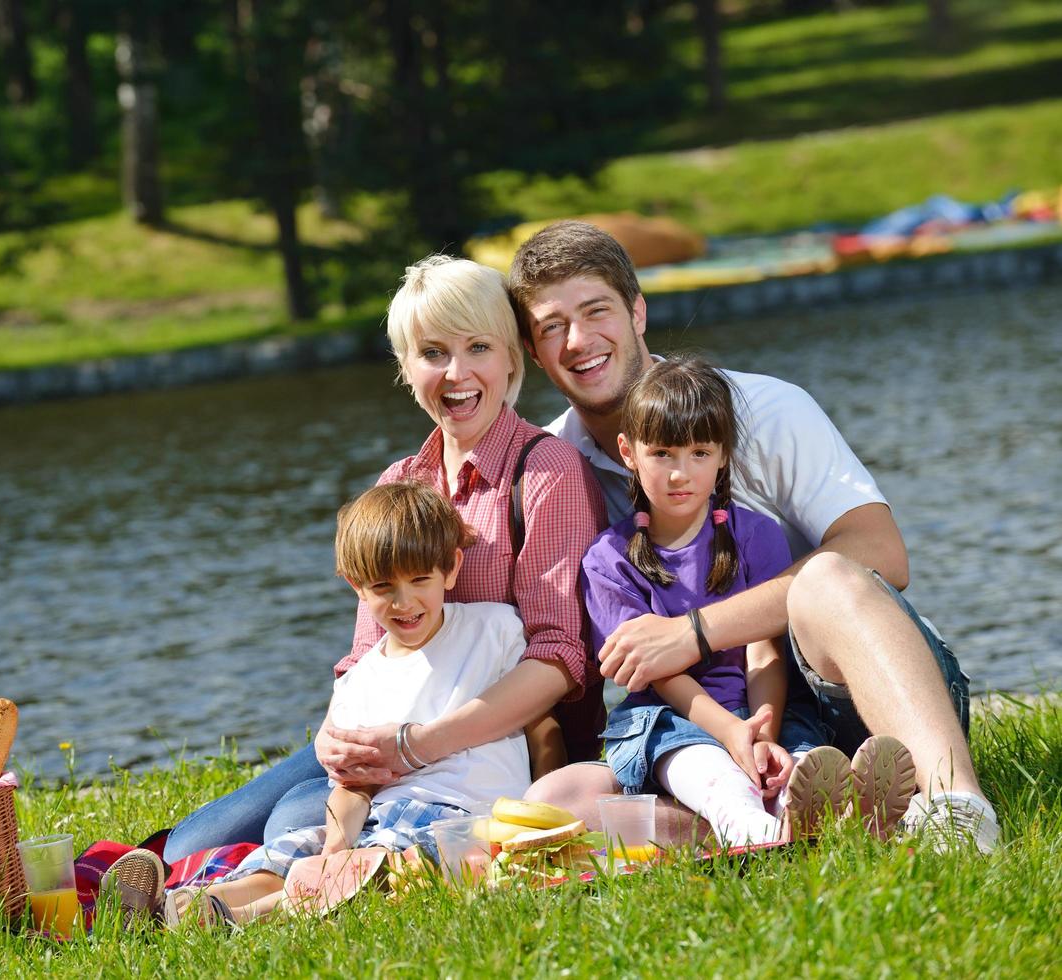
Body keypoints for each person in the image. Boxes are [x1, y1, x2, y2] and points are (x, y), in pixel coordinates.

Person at [508, 220, 998, 851]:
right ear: (533, 350)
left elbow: (882, 552)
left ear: (637, 312)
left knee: (823, 578)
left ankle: (956, 808)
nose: (577, 341)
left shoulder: (763, 409)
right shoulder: (555, 467)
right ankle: (797, 822)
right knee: (561, 801)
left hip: (865, 692)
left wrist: (696, 633)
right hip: (709, 730)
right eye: (551, 327)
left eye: (595, 310)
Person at [163, 256, 607, 863]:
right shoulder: (401, 480)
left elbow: (559, 658)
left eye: (478, 346)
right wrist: (337, 736)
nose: (456, 374)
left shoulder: (546, 472)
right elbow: (366, 655)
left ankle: (271, 880)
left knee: (291, 818)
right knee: (189, 842)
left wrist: (417, 745)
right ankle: (177, 883)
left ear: (512, 356)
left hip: (497, 744)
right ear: (405, 367)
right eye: (431, 353)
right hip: (397, 726)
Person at [153, 481, 534, 926]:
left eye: (420, 580)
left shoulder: (495, 628)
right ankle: (186, 903)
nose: (404, 601)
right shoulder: (359, 682)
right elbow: (353, 787)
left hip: (462, 817)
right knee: (290, 854)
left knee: (392, 866)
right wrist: (336, 843)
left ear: (450, 569)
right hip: (381, 814)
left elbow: (538, 720)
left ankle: (244, 915)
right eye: (383, 586)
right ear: (358, 587)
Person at [586, 353, 915, 846]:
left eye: (700, 453)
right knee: (711, 773)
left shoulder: (756, 535)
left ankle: (845, 813)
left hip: (760, 706)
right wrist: (728, 732)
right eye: (663, 454)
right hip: (673, 719)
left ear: (723, 456)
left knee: (799, 762)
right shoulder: (608, 560)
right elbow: (658, 674)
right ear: (628, 452)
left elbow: (764, 648)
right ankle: (749, 828)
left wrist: (762, 731)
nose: (681, 473)